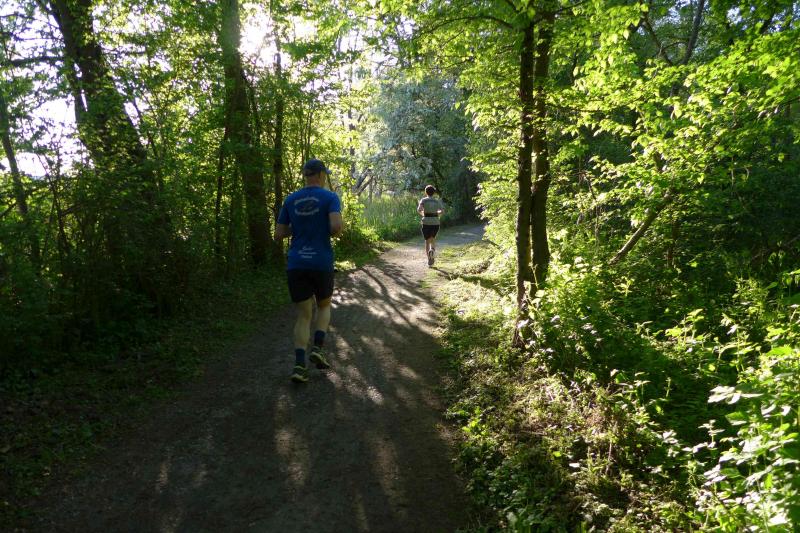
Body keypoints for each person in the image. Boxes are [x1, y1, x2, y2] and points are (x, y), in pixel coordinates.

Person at [274, 159, 343, 383]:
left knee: (303, 315)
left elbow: (279, 234)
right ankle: (318, 348)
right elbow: (336, 227)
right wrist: (328, 228)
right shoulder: (330, 197)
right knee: (324, 305)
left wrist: (299, 227)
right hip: (321, 262)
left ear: (306, 175)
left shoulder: (290, 199)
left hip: (297, 264)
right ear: (321, 175)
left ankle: (299, 366)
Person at [417, 185, 444, 266]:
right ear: (434, 193)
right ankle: (432, 251)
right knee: (432, 239)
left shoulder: (423, 200)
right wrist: (436, 214)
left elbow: (419, 209)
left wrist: (423, 214)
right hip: (435, 223)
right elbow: (442, 211)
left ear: (426, 192)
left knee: (427, 241)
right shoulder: (437, 201)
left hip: (426, 222)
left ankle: (429, 259)